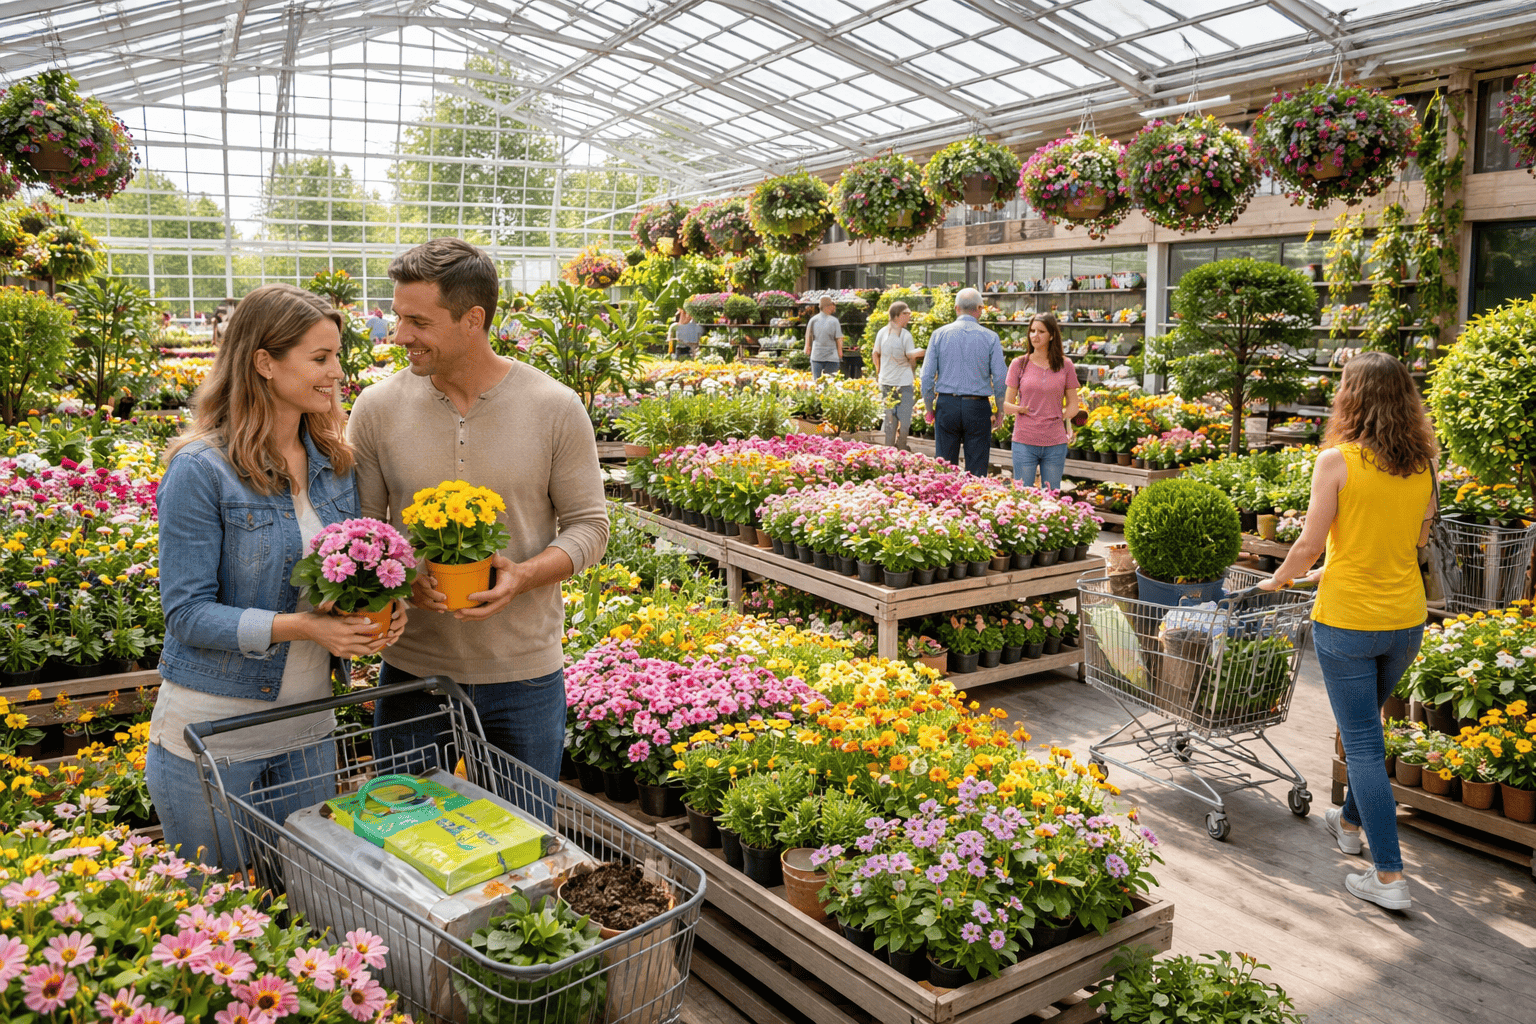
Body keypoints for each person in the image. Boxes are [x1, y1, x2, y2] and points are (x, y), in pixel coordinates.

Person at [147, 284, 405, 869]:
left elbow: (352, 571)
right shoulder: (202, 469)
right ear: (265, 362)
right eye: (320, 358)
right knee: (220, 909)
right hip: (214, 737)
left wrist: (383, 608)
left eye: (337, 356)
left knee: (305, 902)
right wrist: (306, 627)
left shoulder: (336, 465)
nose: (337, 372)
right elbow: (187, 614)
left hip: (307, 730)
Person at [348, 237, 610, 797]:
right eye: (398, 317)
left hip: (524, 677)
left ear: (473, 319)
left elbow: (591, 526)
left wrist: (523, 575)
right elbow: (364, 530)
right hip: (413, 675)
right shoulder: (375, 408)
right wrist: (402, 581)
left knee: (524, 837)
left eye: (418, 321)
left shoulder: (555, 407)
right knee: (406, 836)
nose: (399, 335)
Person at [1259, 351, 1437, 912]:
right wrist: (1326, 568)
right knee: (1367, 732)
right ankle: (1350, 823)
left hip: (1348, 622)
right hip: (1405, 623)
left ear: (1351, 398)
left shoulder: (1337, 461)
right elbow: (1411, 543)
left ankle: (1388, 876)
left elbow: (1310, 541)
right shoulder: (1425, 466)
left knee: (1361, 743)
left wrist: (1279, 579)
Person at [919, 288, 1007, 476]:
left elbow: (926, 376)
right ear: (980, 309)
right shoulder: (991, 337)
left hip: (947, 404)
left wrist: (929, 407)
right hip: (978, 407)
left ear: (956, 308)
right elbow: (1000, 377)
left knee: (944, 468)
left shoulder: (939, 334)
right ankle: (974, 493)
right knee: (977, 470)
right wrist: (1000, 410)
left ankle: (944, 493)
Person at [1003, 313, 1078, 490]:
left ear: (1052, 335)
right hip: (1024, 440)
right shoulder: (1019, 364)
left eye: (1041, 332)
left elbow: (1074, 405)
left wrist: (1061, 415)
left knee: (1051, 495)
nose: (1035, 335)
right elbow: (1006, 405)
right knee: (1023, 494)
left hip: (1055, 442)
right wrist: (1019, 409)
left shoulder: (1065, 365)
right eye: (1032, 331)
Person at [871, 301, 922, 450]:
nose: (909, 316)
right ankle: (900, 447)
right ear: (897, 316)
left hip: (887, 382)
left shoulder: (882, 332)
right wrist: (924, 351)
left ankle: (890, 450)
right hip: (903, 383)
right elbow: (910, 356)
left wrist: (879, 372)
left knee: (890, 419)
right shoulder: (905, 335)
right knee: (904, 419)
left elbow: (875, 354)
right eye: (906, 313)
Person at [804, 296, 844, 379]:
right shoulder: (834, 321)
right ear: (827, 306)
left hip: (816, 356)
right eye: (832, 305)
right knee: (831, 381)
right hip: (832, 358)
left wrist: (807, 347)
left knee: (817, 381)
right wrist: (840, 352)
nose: (834, 307)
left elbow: (808, 335)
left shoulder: (813, 320)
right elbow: (839, 338)